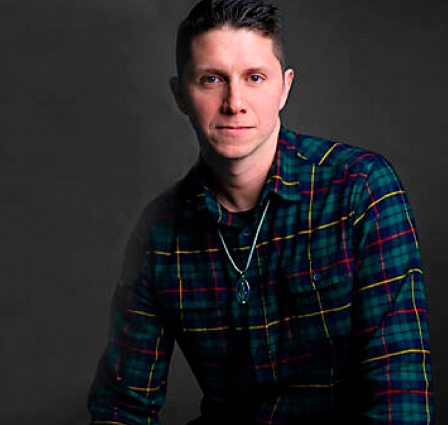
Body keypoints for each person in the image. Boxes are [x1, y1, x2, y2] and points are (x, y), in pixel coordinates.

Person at [86, 0, 433, 423]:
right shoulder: (159, 233)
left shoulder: (359, 187)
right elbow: (122, 407)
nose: (234, 102)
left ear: (284, 88)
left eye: (254, 78)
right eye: (212, 79)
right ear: (180, 95)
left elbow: (400, 391)